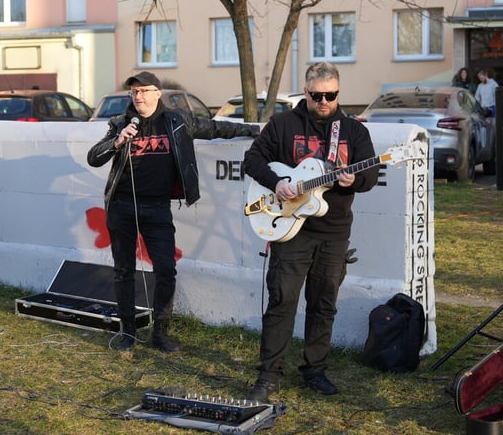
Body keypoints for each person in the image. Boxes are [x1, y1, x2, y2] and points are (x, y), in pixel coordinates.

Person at [87, 71, 260, 352]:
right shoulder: (120, 123)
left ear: (158, 93)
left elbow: (215, 129)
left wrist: (254, 130)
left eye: (144, 91)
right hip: (122, 206)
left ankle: (161, 333)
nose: (139, 96)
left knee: (166, 269)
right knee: (123, 271)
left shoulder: (177, 121)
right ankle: (128, 332)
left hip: (157, 207)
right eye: (134, 92)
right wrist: (117, 141)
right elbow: (94, 157)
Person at [242, 62, 378, 400]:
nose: (324, 102)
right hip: (291, 230)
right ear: (305, 92)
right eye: (317, 95)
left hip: (334, 232)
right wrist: (277, 183)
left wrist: (354, 179)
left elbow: (371, 176)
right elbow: (252, 160)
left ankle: (315, 370)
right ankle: (269, 375)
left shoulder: (353, 131)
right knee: (282, 300)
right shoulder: (283, 124)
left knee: (323, 304)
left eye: (331, 95)